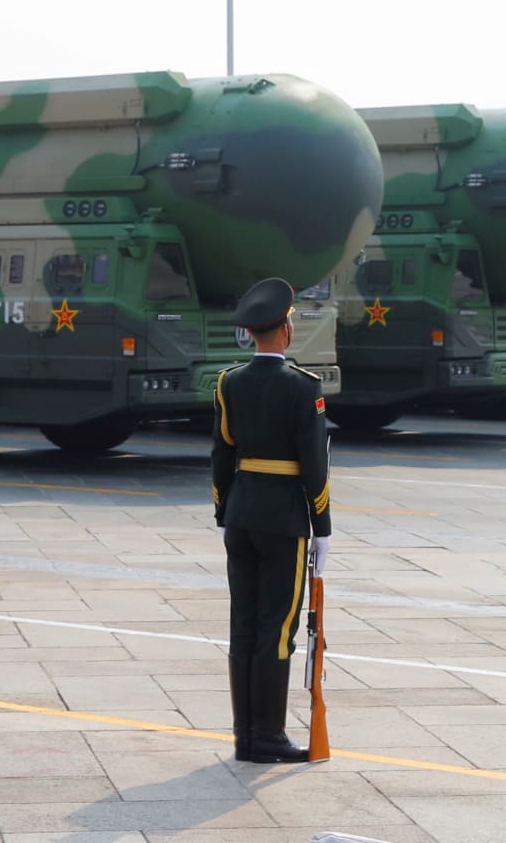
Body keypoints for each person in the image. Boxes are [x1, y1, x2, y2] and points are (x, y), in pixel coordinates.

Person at [211, 277, 332, 763]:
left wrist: (223, 510)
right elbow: (314, 464)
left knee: (243, 624)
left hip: (240, 514)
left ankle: (246, 736)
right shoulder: (304, 388)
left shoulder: (230, 381)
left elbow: (222, 451)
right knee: (277, 628)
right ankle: (269, 738)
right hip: (283, 519)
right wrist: (321, 526)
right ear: (284, 331)